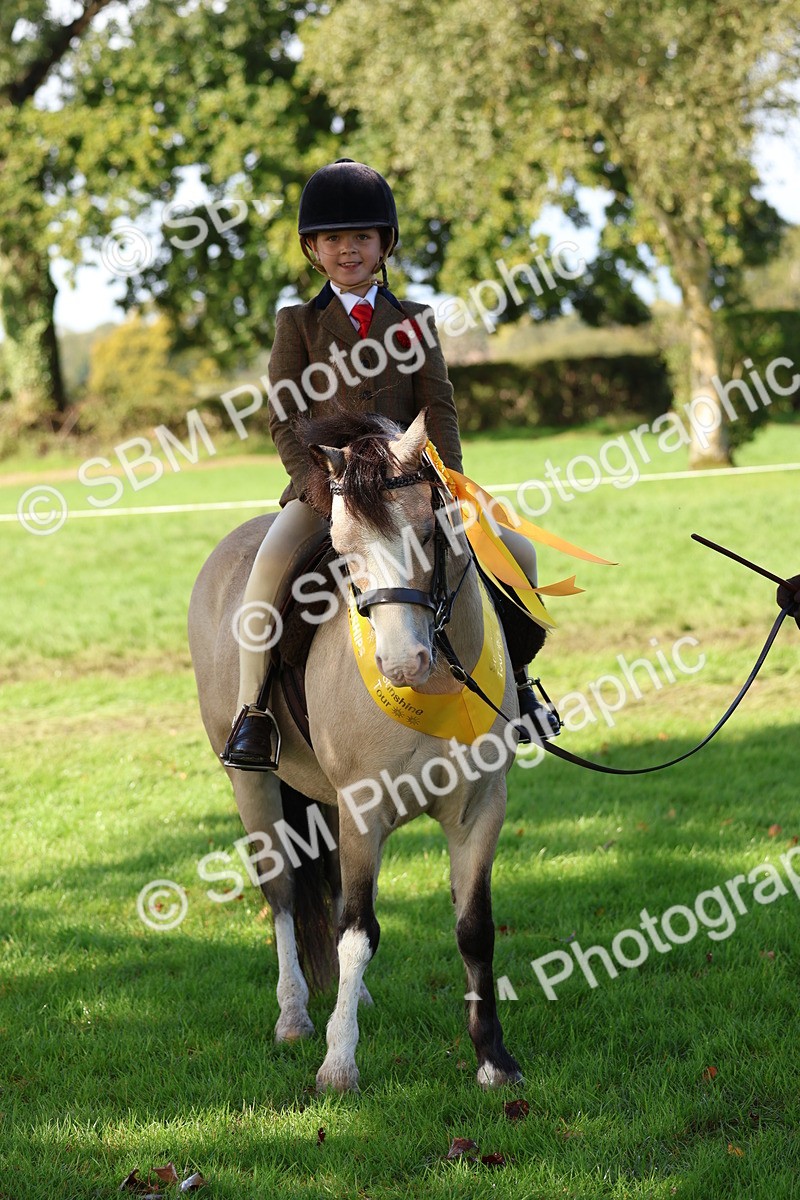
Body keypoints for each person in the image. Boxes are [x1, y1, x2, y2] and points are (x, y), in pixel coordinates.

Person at [223, 159, 556, 770]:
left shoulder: (414, 321)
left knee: (522, 556)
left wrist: (446, 482)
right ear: (313, 250)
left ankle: (523, 690)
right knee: (266, 574)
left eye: (361, 238)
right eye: (333, 240)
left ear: (384, 246)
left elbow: (440, 408)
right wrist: (320, 488)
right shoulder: (296, 324)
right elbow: (283, 419)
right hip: (328, 488)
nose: (347, 250)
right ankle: (255, 714)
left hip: (410, 487)